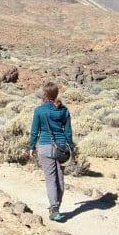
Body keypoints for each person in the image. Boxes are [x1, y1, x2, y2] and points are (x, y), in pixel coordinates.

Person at [29, 82, 73, 222]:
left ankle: (54, 208)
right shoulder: (64, 110)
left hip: (45, 147)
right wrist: (70, 147)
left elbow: (35, 131)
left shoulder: (39, 110)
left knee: (50, 179)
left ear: (45, 94)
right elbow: (68, 132)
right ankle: (56, 207)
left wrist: (31, 146)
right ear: (55, 94)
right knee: (60, 179)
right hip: (61, 148)